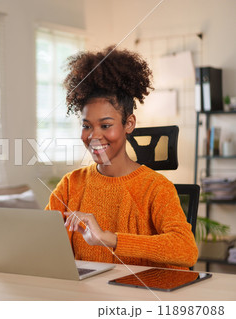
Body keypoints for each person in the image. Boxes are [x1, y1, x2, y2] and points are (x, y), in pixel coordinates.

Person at [45, 45, 198, 269]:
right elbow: (45, 244)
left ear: (129, 124)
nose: (94, 136)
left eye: (105, 125)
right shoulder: (71, 185)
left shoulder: (156, 188)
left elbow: (186, 250)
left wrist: (109, 238)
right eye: (87, 126)